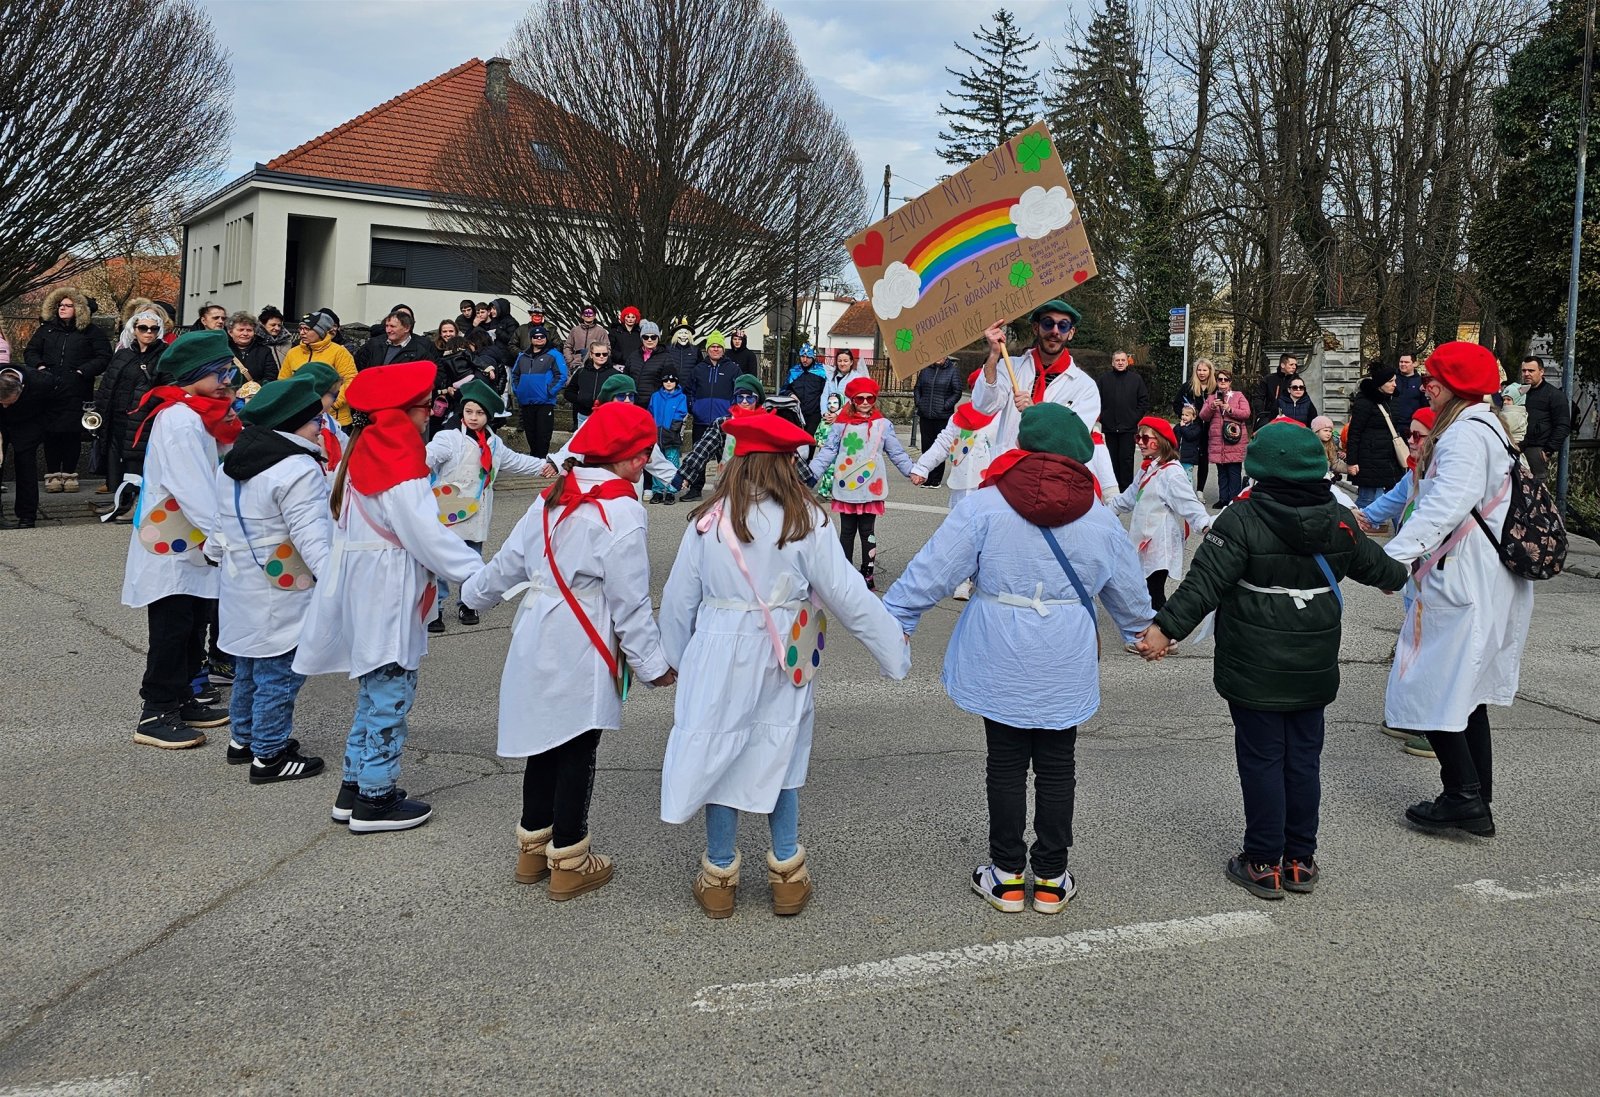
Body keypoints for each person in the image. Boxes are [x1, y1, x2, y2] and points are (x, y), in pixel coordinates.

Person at [886, 404, 1153, 914]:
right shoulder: (1099, 518)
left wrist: (896, 617)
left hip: (999, 648)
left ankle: (1006, 875)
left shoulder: (985, 505)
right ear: (1081, 454)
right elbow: (1128, 596)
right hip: (1064, 654)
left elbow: (935, 568)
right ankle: (1051, 877)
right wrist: (1144, 632)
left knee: (1005, 763)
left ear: (1022, 445)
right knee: (1058, 766)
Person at [1138, 421, 1407, 899]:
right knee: (1303, 760)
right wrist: (1396, 576)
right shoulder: (1339, 519)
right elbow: (1382, 569)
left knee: (1263, 760)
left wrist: (1163, 630)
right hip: (1314, 663)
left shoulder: (1241, 520)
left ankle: (1263, 861)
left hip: (1253, 665)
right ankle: (1300, 860)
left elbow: (1204, 584)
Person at [659, 410, 911, 918]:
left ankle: (718, 875)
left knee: (720, 753)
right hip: (782, 653)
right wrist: (893, 649)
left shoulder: (707, 522)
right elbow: (846, 594)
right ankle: (787, 873)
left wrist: (673, 659)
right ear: (784, 464)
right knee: (783, 750)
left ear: (737, 462)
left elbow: (677, 599)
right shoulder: (806, 521)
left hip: (717, 647)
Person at [461, 401, 675, 899]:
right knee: (578, 744)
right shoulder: (622, 511)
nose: (645, 461)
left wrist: (472, 594)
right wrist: (654, 666)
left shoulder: (552, 495)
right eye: (642, 453)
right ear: (627, 457)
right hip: (584, 634)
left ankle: (532, 849)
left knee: (543, 739)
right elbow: (631, 601)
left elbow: (508, 563)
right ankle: (571, 857)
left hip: (536, 628)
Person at [291, 362, 486, 832]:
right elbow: (426, 536)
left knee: (372, 686)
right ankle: (376, 798)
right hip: (388, 589)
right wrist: (481, 576)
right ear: (405, 413)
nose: (430, 417)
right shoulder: (400, 465)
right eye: (426, 408)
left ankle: (353, 785)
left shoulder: (362, 456)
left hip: (363, 585)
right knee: (391, 691)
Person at [1380, 342, 1535, 839]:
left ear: (1453, 388)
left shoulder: (1466, 435)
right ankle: (1474, 797)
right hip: (1480, 576)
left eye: (1432, 381)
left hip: (1463, 578)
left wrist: (1392, 558)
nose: (1425, 386)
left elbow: (1442, 506)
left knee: (1434, 683)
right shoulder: (1487, 429)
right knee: (1466, 693)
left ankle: (1463, 797)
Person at [208, 376, 335, 782]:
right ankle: (271, 754)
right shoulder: (297, 468)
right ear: (291, 423)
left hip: (241, 582)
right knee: (279, 673)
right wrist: (337, 581)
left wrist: (213, 554)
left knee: (248, 665)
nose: (321, 426)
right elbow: (312, 535)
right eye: (314, 419)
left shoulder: (231, 461)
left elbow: (218, 526)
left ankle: (242, 740)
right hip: (284, 588)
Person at [121, 332, 241, 749]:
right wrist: (221, 535)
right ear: (196, 375)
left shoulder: (200, 414)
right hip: (176, 540)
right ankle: (155, 710)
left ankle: (184, 696)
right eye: (221, 372)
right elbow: (191, 487)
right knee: (172, 625)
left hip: (194, 541)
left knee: (194, 620)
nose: (229, 380)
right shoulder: (179, 419)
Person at [423, 380, 549, 631]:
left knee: (472, 559)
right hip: (446, 511)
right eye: (469, 411)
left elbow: (518, 462)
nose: (473, 417)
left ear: (488, 416)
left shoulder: (494, 444)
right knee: (439, 561)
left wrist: (548, 465)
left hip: (475, 515)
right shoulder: (448, 438)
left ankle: (468, 602)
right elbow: (429, 454)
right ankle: (434, 608)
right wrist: (415, 464)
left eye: (480, 413)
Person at [806, 376, 916, 591]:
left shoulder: (883, 425)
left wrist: (912, 471)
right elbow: (828, 451)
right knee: (847, 531)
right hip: (847, 484)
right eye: (860, 398)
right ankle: (845, 570)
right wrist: (811, 474)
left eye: (870, 398)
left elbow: (896, 452)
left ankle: (868, 573)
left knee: (868, 531)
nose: (865, 402)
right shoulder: (840, 425)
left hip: (871, 488)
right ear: (853, 400)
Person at [971, 300, 1104, 469]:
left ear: (1071, 333)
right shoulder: (1009, 366)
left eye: (1063, 326)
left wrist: (1035, 413)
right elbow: (984, 405)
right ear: (1036, 328)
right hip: (1006, 469)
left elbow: (1074, 440)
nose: (1055, 331)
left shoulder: (1085, 386)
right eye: (1048, 323)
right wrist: (993, 356)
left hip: (1050, 475)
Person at [909, 370, 999, 600]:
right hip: (963, 484)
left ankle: (987, 578)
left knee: (992, 534)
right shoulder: (959, 417)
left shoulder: (1004, 415)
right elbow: (943, 443)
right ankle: (962, 578)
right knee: (962, 532)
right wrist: (922, 467)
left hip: (993, 485)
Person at [1108, 416, 1211, 612]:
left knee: (1153, 593)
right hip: (1142, 541)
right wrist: (1103, 514)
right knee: (1143, 591)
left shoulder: (1172, 473)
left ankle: (1163, 635)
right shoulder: (1148, 468)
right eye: (1137, 438)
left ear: (1161, 441)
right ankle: (1152, 633)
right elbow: (1128, 498)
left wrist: (1206, 525)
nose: (1139, 442)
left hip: (1159, 545)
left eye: (1145, 438)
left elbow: (1189, 504)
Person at [26, 287, 111, 494]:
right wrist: (40, 367)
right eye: (60, 305)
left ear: (78, 309)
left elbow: (104, 356)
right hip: (49, 388)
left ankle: (70, 474)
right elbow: (31, 351)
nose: (62, 309)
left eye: (68, 305)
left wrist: (83, 371)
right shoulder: (46, 330)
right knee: (51, 433)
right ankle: (53, 474)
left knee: (72, 433)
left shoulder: (91, 332)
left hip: (77, 389)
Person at [98, 306, 168, 508]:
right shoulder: (123, 354)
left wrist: (149, 406)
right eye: (143, 328)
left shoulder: (164, 356)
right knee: (115, 457)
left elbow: (167, 387)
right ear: (134, 330)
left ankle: (138, 502)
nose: (148, 332)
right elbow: (107, 384)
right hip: (117, 415)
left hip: (144, 418)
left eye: (153, 329)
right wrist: (100, 411)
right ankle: (121, 499)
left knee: (136, 459)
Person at [0, 359, 60, 528]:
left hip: (28, 424)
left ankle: (27, 516)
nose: (5, 406)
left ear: (22, 389)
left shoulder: (42, 381)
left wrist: (42, 426)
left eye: (8, 402)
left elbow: (58, 402)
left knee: (26, 468)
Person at [680, 332, 741, 499]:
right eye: (712, 346)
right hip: (701, 420)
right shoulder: (698, 369)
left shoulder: (733, 369)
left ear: (723, 349)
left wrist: (732, 411)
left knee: (726, 457)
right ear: (707, 349)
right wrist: (694, 407)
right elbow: (688, 391)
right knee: (699, 455)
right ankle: (695, 489)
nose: (715, 349)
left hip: (725, 421)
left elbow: (740, 391)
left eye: (718, 346)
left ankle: (729, 489)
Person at [279, 311, 358, 427]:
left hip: (335, 420)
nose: (302, 333)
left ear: (320, 331)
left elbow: (351, 381)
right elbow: (283, 381)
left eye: (307, 329)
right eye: (300, 329)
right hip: (301, 419)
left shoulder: (339, 352)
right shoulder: (292, 353)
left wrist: (331, 404)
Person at [1346, 362, 1406, 509]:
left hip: (1390, 459)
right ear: (1380, 383)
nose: (1394, 385)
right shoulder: (1364, 402)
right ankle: (1354, 526)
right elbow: (1354, 433)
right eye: (1390, 381)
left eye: (1395, 380)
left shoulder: (1394, 400)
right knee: (1368, 501)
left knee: (1395, 501)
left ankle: (1401, 530)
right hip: (1369, 461)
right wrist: (1352, 462)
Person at [1096, 350, 1151, 491]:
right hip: (1110, 428)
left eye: (1123, 360)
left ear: (1127, 362)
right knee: (1112, 461)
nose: (1120, 363)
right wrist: (1104, 418)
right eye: (1117, 360)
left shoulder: (1136, 379)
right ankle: (1113, 491)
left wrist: (1134, 418)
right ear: (1112, 362)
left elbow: (1143, 401)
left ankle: (1127, 491)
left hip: (1129, 428)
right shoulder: (1103, 380)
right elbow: (1096, 401)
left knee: (1126, 460)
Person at [510, 325, 567, 457]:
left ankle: (541, 460)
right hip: (526, 401)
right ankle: (534, 459)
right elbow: (515, 375)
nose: (539, 339)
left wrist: (549, 391)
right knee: (530, 432)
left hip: (544, 401)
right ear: (531, 339)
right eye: (536, 337)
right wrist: (518, 391)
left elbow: (561, 375)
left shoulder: (554, 355)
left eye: (542, 336)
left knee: (543, 433)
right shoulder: (522, 356)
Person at [1200, 368, 1251, 507]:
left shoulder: (1238, 395)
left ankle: (1233, 500)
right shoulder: (1212, 397)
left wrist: (1230, 409)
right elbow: (1203, 416)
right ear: (1216, 381)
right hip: (1218, 440)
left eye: (1226, 379)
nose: (1223, 382)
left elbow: (1246, 413)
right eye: (1220, 379)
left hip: (1234, 439)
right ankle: (1223, 499)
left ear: (1230, 382)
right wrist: (1211, 406)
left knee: (1234, 471)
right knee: (1221, 472)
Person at [912, 355, 963, 488]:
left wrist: (945, 405)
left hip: (942, 415)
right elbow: (918, 387)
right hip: (926, 413)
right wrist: (919, 402)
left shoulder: (952, 370)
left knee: (940, 445)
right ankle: (926, 475)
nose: (938, 357)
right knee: (926, 445)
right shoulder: (925, 369)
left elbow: (957, 391)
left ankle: (936, 479)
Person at [1520, 355, 1571, 481]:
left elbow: (1563, 425)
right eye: (1524, 370)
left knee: (1537, 492)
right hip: (1516, 448)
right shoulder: (1518, 392)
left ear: (1541, 372)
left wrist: (1547, 451)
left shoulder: (1554, 395)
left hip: (1536, 451)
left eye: (1531, 371)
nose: (1527, 374)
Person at [1173, 358, 1217, 496]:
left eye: (1204, 370)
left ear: (1210, 371)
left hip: (1209, 428)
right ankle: (1185, 489)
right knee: (1187, 457)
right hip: (1192, 429)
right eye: (1199, 370)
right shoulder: (1188, 387)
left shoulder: (1215, 388)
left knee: (1204, 458)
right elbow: (1176, 404)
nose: (1202, 373)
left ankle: (1200, 490)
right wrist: (1186, 416)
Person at [649, 369, 688, 504]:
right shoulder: (655, 396)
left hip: (671, 432)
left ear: (676, 382)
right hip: (656, 432)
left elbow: (681, 412)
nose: (669, 383)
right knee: (656, 462)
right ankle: (657, 491)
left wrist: (674, 427)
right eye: (666, 380)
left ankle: (671, 491)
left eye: (672, 380)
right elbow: (651, 411)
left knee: (672, 461)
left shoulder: (681, 397)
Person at [565, 342, 615, 428]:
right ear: (591, 355)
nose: (601, 356)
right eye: (598, 354)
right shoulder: (581, 372)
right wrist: (580, 400)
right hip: (583, 415)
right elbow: (569, 392)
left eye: (605, 354)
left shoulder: (615, 374)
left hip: (606, 416)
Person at [782, 344, 827, 433]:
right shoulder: (794, 371)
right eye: (802, 356)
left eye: (808, 357)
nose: (805, 360)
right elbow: (784, 389)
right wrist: (791, 394)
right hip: (796, 412)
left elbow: (826, 391)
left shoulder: (821, 371)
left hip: (814, 412)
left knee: (810, 439)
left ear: (813, 357)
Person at [226, 311, 278, 387]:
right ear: (230, 332)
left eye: (249, 330)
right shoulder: (224, 350)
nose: (245, 333)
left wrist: (251, 389)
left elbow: (271, 376)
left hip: (255, 394)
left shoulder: (264, 351)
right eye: (241, 330)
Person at [625, 319, 669, 404]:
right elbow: (626, 377)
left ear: (658, 338)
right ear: (642, 338)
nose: (649, 340)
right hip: (632, 402)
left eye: (653, 337)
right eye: (646, 337)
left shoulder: (666, 357)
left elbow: (669, 383)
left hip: (653, 404)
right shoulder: (633, 355)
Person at [1254, 353, 1299, 430]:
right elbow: (1258, 398)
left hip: (1291, 419)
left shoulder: (1297, 381)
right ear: (1282, 365)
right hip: (1270, 418)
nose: (1294, 367)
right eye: (1291, 364)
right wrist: (1261, 415)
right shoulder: (1268, 379)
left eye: (1295, 365)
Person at [818, 349, 868, 417]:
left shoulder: (856, 378)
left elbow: (852, 400)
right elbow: (825, 395)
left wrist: (837, 414)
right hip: (829, 415)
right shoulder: (831, 376)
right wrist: (825, 413)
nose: (842, 364)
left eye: (845, 361)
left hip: (848, 416)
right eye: (839, 361)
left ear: (851, 362)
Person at [811, 394, 841, 502]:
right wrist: (819, 442)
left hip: (836, 451)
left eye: (835, 403)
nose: (832, 405)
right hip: (823, 450)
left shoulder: (840, 422)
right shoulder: (824, 420)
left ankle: (825, 493)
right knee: (826, 471)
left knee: (833, 472)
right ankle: (827, 492)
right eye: (829, 403)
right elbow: (817, 434)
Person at [1391, 352, 1427, 429]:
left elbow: (1425, 405)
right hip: (1392, 425)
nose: (1403, 364)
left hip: (1412, 425)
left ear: (1415, 364)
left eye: (1406, 362)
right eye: (1401, 362)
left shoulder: (1421, 382)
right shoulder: (1392, 379)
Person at [257, 307, 295, 373]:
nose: (277, 328)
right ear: (263, 324)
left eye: (279, 325)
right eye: (273, 325)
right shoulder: (256, 343)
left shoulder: (289, 344)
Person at [1176, 404, 1205, 487]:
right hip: (1178, 457)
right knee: (1177, 477)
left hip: (1189, 458)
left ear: (1193, 417)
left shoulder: (1196, 428)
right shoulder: (1178, 427)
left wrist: (1183, 427)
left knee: (1187, 478)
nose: (1184, 417)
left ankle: (1189, 495)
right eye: (1183, 414)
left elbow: (1190, 436)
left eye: (1187, 415)